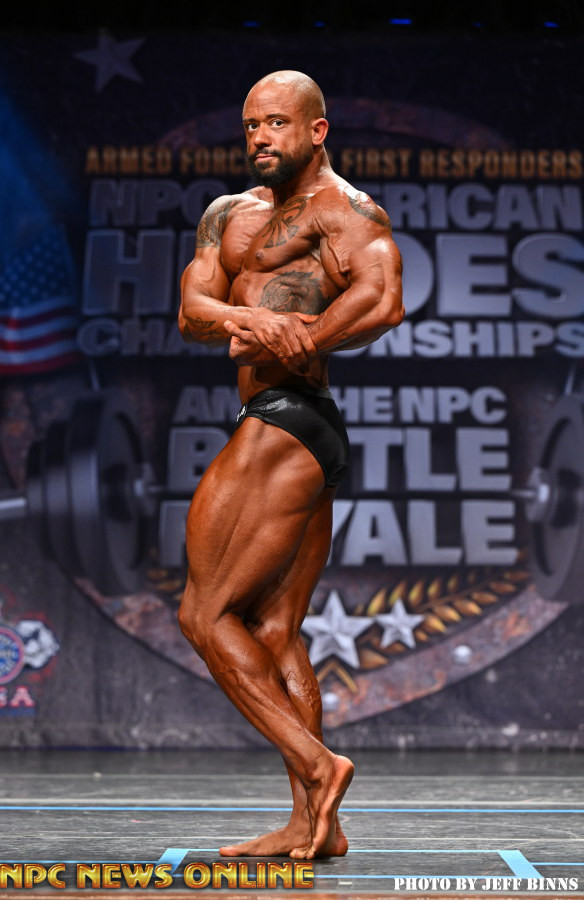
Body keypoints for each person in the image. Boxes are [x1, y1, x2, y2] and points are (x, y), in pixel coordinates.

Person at [177, 70, 404, 860]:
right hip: (302, 430)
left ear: (317, 130)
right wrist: (249, 320)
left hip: (285, 421)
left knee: (204, 616)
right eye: (251, 125)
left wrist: (305, 336)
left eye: (276, 122)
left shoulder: (345, 209)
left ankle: (317, 764)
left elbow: (382, 299)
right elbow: (193, 312)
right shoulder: (227, 215)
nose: (260, 137)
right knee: (275, 631)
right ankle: (317, 825)